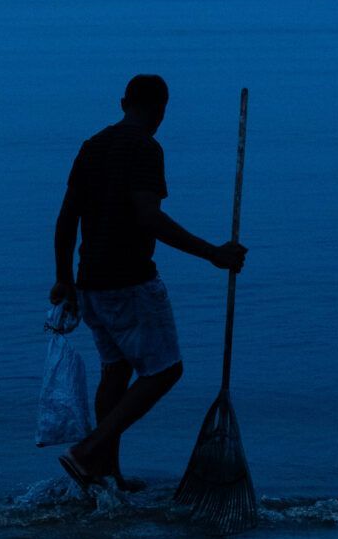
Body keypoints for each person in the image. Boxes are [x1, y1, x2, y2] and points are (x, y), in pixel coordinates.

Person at [49, 73, 247, 493]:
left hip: (90, 285)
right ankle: (88, 452)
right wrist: (213, 253)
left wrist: (64, 280)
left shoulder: (92, 146)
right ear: (162, 109)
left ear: (122, 101)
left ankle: (105, 474)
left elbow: (66, 221)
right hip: (128, 282)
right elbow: (148, 218)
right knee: (165, 371)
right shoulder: (145, 148)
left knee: (116, 372)